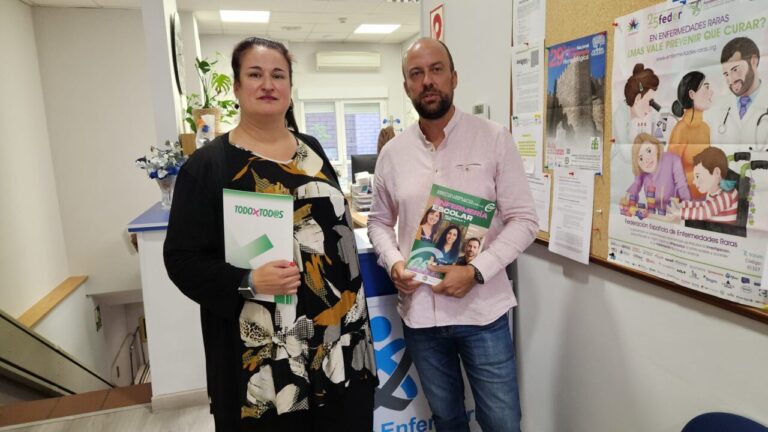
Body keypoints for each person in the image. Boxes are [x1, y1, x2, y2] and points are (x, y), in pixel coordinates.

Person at [163, 37, 377, 432]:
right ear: (237, 86)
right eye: (255, 74)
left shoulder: (312, 150)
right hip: (265, 358)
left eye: (278, 75)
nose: (267, 84)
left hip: (339, 342)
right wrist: (247, 280)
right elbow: (181, 260)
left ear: (290, 87)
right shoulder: (209, 166)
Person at [367, 37, 538, 432]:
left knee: (503, 422)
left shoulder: (493, 138)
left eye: (436, 69)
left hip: (483, 313)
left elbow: (524, 220)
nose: (427, 81)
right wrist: (393, 262)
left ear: (454, 77)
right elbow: (378, 222)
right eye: (416, 73)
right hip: (421, 316)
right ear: (407, 86)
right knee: (447, 420)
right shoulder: (392, 155)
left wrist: (476, 271)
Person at [611, 63, 662, 203]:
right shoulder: (620, 116)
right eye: (649, 102)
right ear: (638, 98)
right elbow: (628, 155)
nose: (650, 109)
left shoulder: (638, 113)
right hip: (619, 181)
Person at [712, 37, 768, 150]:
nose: (731, 80)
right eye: (726, 74)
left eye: (735, 70)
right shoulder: (720, 106)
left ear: (753, 61)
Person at [668, 71, 714, 200]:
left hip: (704, 197)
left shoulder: (705, 128)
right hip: (684, 199)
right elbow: (670, 172)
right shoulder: (681, 129)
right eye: (706, 87)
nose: (711, 92)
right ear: (692, 94)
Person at [670, 147, 739, 223]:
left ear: (716, 172)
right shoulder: (713, 193)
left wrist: (679, 212)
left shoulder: (728, 194)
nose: (694, 182)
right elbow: (704, 205)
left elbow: (705, 212)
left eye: (697, 176)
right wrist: (682, 205)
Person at [626, 133, 691, 209]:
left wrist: (686, 206)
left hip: (674, 211)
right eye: (641, 158)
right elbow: (636, 185)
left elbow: (682, 186)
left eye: (649, 151)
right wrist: (629, 198)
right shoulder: (642, 169)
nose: (647, 159)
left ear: (656, 147)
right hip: (653, 213)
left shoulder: (673, 160)